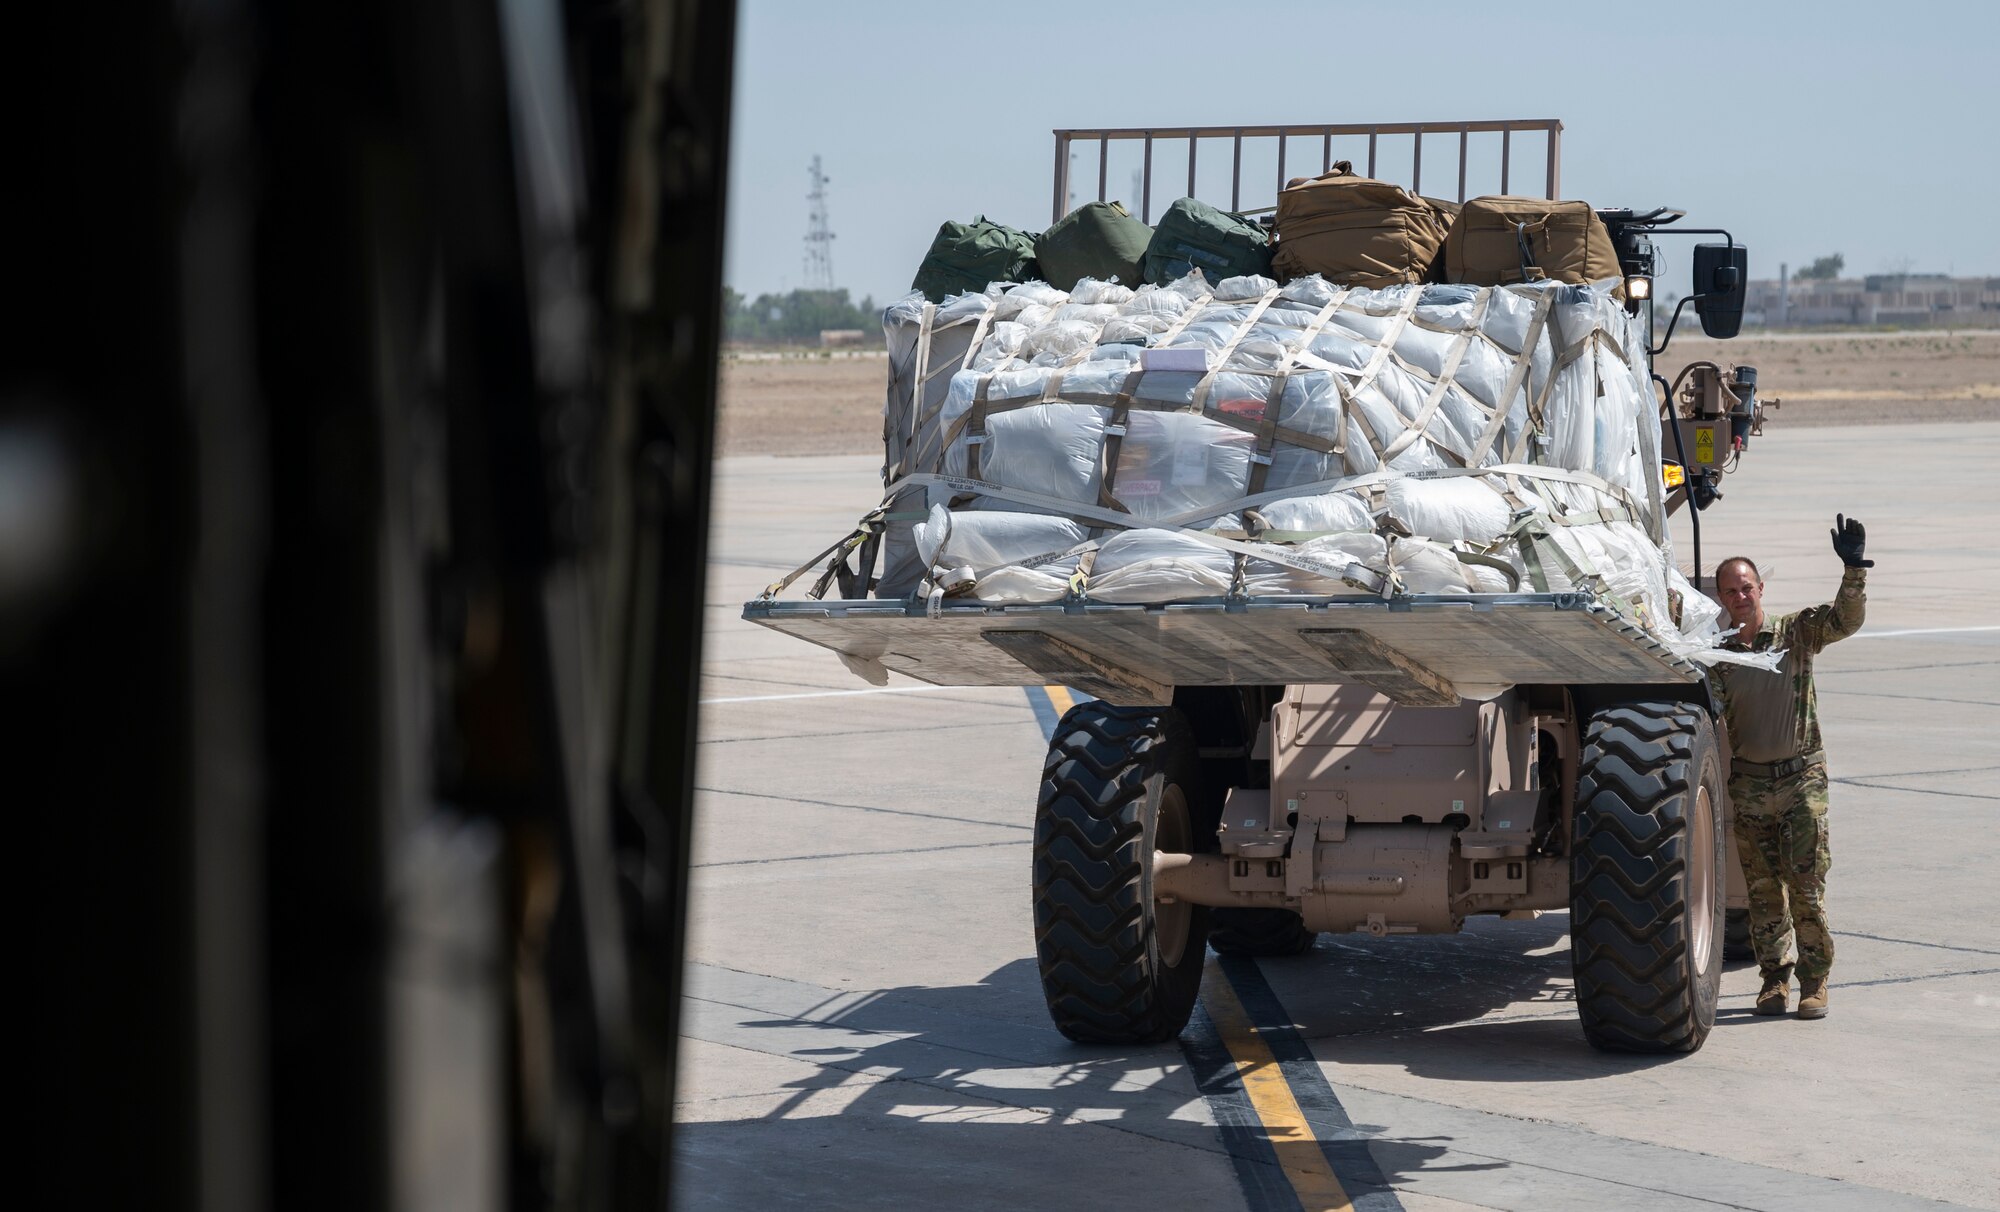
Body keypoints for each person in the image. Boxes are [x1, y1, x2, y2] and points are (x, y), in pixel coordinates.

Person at [1710, 515, 1870, 1020]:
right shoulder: (1716, 658)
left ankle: (1815, 982)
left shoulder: (1795, 635)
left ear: (1761, 588)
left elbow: (1845, 621)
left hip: (1801, 778)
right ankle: (1773, 981)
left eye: (1746, 586)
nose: (1741, 596)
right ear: (1721, 599)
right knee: (1762, 895)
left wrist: (1853, 571)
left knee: (1806, 886)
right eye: (1730, 591)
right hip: (1752, 785)